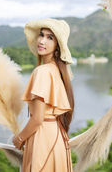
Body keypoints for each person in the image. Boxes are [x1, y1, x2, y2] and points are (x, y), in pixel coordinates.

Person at [12, 18, 75, 172]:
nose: (41, 40)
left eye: (50, 37)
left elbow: (37, 118)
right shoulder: (59, 71)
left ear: (57, 47)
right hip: (58, 139)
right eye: (41, 35)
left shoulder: (42, 71)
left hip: (42, 140)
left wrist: (19, 139)